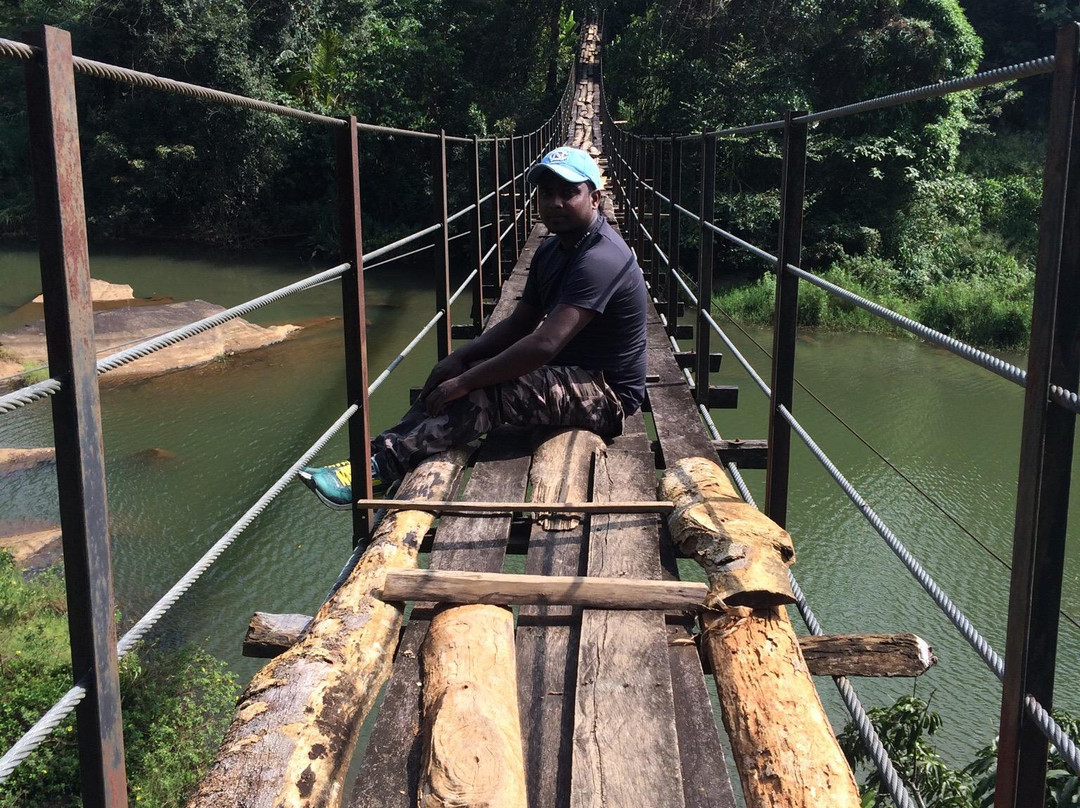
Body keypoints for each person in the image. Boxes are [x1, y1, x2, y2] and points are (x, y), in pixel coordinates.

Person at [299, 146, 648, 509]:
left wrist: (468, 381)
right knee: (450, 373)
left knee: (491, 387)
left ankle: (380, 467)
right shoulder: (550, 250)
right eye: (546, 193)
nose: (555, 202)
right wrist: (460, 360)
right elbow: (519, 323)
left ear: (595, 198)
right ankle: (375, 459)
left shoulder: (601, 258)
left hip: (606, 394)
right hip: (566, 372)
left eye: (568, 192)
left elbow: (544, 343)